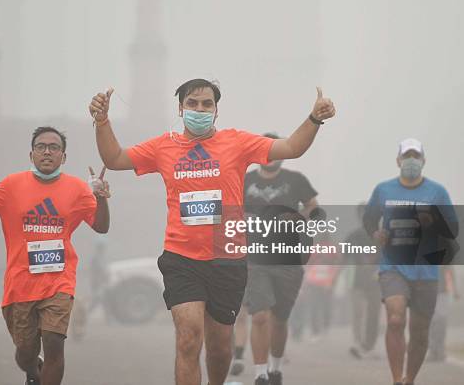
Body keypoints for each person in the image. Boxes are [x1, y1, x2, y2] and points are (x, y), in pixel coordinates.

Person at [89, 79, 335, 385]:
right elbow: (114, 159)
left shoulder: (237, 142)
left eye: (207, 104)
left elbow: (292, 148)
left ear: (217, 110)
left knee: (219, 347)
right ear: (181, 108)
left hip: (227, 260)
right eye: (192, 103)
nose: (200, 109)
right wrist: (102, 121)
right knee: (189, 338)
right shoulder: (163, 147)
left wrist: (314, 119)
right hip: (181, 258)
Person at [0, 126, 111, 385]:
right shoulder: (12, 185)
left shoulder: (78, 189)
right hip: (19, 284)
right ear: (31, 154)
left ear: (63, 157)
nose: (47, 152)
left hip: (59, 281)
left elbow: (101, 226)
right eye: (41, 147)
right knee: (25, 353)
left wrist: (101, 198)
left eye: (54, 147)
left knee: (55, 343)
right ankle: (34, 372)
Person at [363, 138, 458, 385]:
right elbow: (369, 219)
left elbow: (453, 227)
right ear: (398, 161)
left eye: (416, 156)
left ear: (423, 161)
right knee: (395, 319)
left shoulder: (437, 192)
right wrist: (375, 233)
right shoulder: (384, 190)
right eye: (407, 156)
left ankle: (409, 379)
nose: (411, 161)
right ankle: (396, 379)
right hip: (393, 266)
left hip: (426, 271)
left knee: (419, 333)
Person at [231, 140, 321, 385]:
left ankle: (275, 368)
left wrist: (298, 217)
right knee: (259, 315)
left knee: (279, 320)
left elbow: (314, 208)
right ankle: (260, 373)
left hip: (288, 259)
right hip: (255, 258)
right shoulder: (245, 179)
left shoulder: (296, 180)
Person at [348, 203, 382, 360]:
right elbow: (344, 257)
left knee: (373, 314)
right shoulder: (354, 236)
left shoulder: (382, 236)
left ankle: (369, 345)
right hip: (358, 281)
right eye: (361, 214)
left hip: (376, 280)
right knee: (358, 313)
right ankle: (357, 341)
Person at [427, 266, 460, 362]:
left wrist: (455, 290)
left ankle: (440, 350)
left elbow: (451, 271)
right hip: (429, 292)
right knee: (432, 322)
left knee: (441, 321)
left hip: (443, 293)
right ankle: (433, 351)